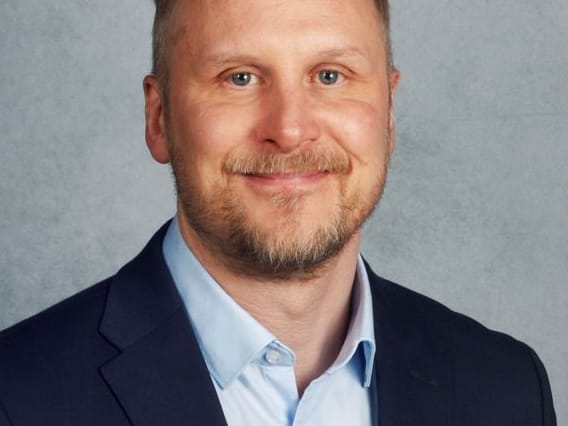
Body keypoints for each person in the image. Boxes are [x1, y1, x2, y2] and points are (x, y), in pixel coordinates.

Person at [0, 0, 557, 424]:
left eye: (330, 76)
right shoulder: (17, 395)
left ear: (388, 113)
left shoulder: (507, 391)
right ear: (159, 117)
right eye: (239, 78)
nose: (289, 130)